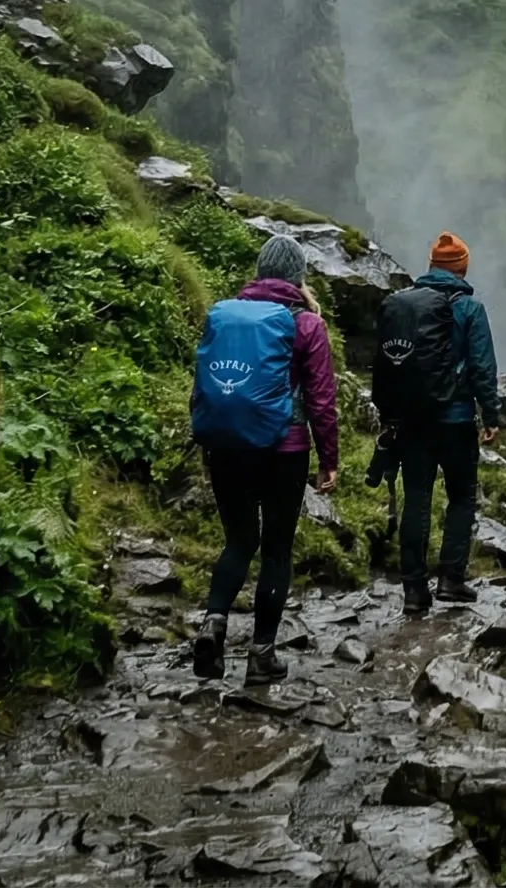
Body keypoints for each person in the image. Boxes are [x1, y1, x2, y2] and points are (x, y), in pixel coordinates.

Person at [189, 233, 339, 682]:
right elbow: (320, 399)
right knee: (276, 549)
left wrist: (207, 439)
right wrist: (329, 458)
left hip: (226, 445)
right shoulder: (306, 324)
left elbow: (205, 383)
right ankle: (261, 655)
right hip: (284, 451)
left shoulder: (226, 314)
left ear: (259, 271)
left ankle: (213, 625)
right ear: (298, 275)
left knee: (238, 540)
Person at [393, 233, 499, 614]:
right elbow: (482, 365)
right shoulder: (469, 308)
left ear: (431, 266)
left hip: (413, 421)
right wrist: (491, 414)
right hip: (455, 420)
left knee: (417, 499)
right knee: (461, 497)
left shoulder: (404, 305)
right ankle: (451, 579)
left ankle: (413, 588)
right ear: (462, 268)